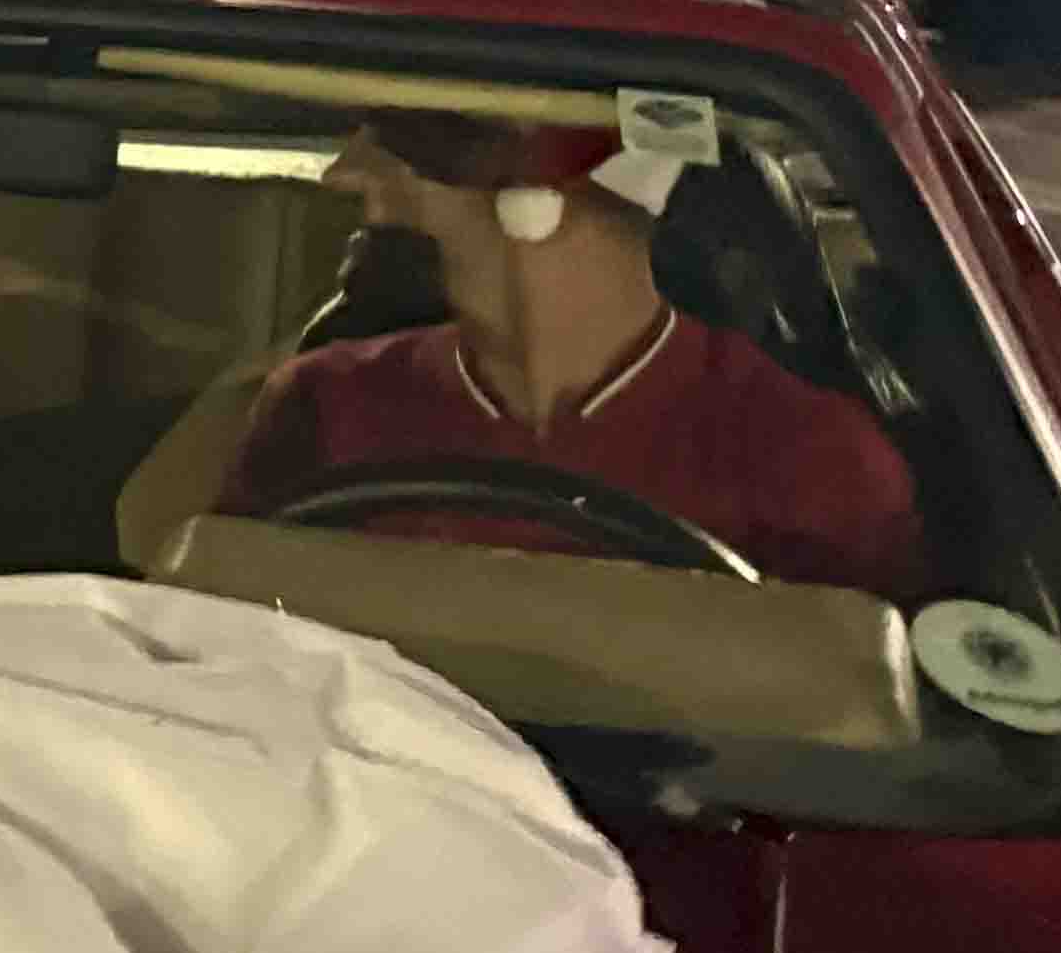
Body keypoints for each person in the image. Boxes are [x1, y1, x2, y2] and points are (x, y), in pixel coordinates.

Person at [217, 113, 925, 604]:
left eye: (416, 158)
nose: (349, 179)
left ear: (539, 202)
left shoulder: (814, 458)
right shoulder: (321, 399)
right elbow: (193, 608)